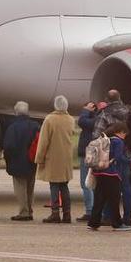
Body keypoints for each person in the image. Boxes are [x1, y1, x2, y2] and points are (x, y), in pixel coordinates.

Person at [35, 95, 77, 224]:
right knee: (64, 185)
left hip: (53, 157)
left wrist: (39, 157)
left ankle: (55, 213)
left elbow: (43, 141)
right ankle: (67, 214)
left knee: (53, 185)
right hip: (66, 157)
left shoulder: (50, 119)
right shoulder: (70, 119)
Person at [88, 121, 131, 231]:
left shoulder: (107, 140)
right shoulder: (118, 142)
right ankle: (117, 223)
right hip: (112, 173)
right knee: (114, 199)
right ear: (121, 132)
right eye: (125, 134)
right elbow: (118, 157)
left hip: (100, 171)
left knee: (99, 199)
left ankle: (94, 222)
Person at [3, 101, 41, 221]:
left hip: (17, 162)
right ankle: (29, 210)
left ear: (16, 112)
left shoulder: (12, 127)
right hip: (32, 161)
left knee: (20, 189)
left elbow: (8, 146)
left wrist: (8, 160)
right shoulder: (35, 125)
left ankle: (24, 212)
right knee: (30, 188)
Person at [75, 101, 99, 221]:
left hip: (88, 155)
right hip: (93, 154)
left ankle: (90, 211)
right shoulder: (97, 119)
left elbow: (81, 121)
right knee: (92, 183)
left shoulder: (94, 120)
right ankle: (93, 209)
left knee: (86, 183)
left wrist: (86, 110)